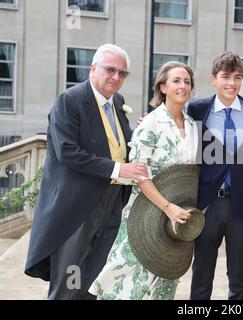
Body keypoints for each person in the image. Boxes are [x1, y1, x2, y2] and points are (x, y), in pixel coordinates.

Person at [24, 44, 149, 300]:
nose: (116, 77)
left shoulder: (118, 102)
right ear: (93, 69)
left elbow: (115, 146)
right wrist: (118, 168)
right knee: (69, 285)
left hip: (113, 201)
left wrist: (143, 132)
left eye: (122, 73)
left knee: (95, 284)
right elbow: (67, 152)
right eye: (110, 70)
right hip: (77, 208)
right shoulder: (70, 100)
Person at [89, 61, 199, 300]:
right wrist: (166, 207)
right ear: (163, 86)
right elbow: (140, 174)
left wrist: (177, 211)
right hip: (146, 214)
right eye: (176, 80)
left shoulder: (192, 126)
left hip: (176, 220)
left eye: (187, 81)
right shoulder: (151, 123)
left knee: (164, 286)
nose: (183, 86)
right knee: (128, 287)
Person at [187, 52, 243, 300]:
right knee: (202, 272)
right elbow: (179, 132)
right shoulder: (198, 109)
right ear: (213, 79)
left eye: (237, 77)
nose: (231, 83)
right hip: (208, 204)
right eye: (225, 77)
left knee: (239, 275)